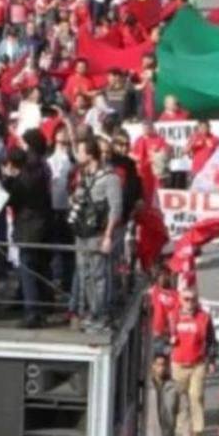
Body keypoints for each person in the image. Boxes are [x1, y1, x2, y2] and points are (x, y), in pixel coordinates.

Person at [70, 138, 123, 331]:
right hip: (82, 231)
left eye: (81, 151)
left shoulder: (110, 178)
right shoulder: (83, 175)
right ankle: (90, 311)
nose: (78, 156)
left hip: (98, 233)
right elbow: (78, 195)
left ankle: (100, 313)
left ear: (90, 154)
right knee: (84, 273)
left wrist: (109, 235)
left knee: (99, 274)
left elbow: (115, 208)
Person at [1, 146, 53, 328]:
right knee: (38, 268)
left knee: (27, 269)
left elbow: (8, 200)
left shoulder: (20, 182)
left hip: (27, 228)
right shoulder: (39, 174)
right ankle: (42, 307)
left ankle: (32, 311)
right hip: (43, 226)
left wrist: (7, 179)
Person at [170, 288, 217, 436]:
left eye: (193, 299)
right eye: (186, 299)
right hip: (178, 364)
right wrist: (167, 346)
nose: (189, 303)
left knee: (196, 396)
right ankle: (184, 428)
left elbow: (211, 341)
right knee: (180, 398)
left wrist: (211, 360)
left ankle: (198, 429)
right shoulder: (173, 316)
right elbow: (161, 338)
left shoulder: (204, 318)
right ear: (181, 300)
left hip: (198, 363)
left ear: (197, 301)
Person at [144, 353, 179, 436]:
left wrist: (185, 429)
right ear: (153, 366)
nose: (161, 368)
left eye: (164, 365)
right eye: (158, 365)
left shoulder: (174, 387)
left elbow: (182, 409)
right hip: (149, 435)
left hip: (166, 435)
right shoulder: (146, 386)